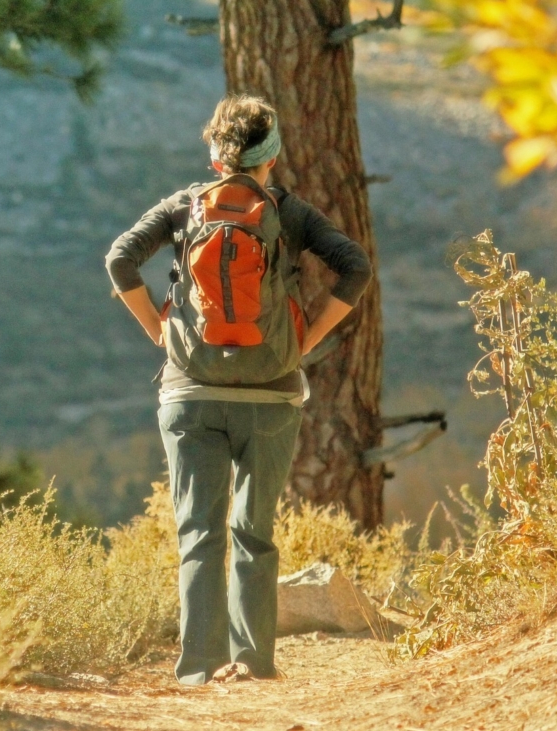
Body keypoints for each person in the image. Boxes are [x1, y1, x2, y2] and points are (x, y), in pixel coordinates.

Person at [104, 94, 372, 685]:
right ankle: (250, 663)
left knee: (197, 532)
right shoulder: (290, 213)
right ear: (271, 157)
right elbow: (355, 267)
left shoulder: (184, 207)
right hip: (271, 393)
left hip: (190, 392)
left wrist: (159, 332)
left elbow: (120, 259)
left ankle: (199, 669)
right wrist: (305, 341)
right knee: (254, 531)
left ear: (215, 156)